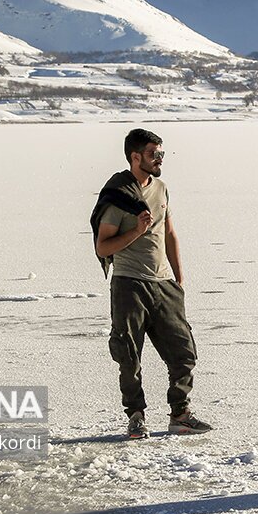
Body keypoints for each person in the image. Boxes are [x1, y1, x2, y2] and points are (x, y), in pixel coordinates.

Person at [89, 128, 212, 439]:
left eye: (162, 154)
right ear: (135, 157)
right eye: (154, 154)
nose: (160, 160)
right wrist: (135, 231)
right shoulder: (119, 197)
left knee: (184, 353)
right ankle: (136, 416)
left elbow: (169, 232)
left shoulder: (162, 188)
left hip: (163, 284)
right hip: (129, 283)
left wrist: (179, 279)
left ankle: (180, 414)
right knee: (129, 355)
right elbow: (103, 247)